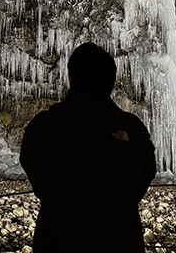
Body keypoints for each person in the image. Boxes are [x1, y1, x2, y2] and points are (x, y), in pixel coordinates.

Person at [20, 42, 156, 253]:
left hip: (57, 243)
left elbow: (38, 176)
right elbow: (143, 175)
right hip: (121, 244)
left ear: (71, 79)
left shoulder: (44, 127)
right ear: (111, 82)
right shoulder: (133, 130)